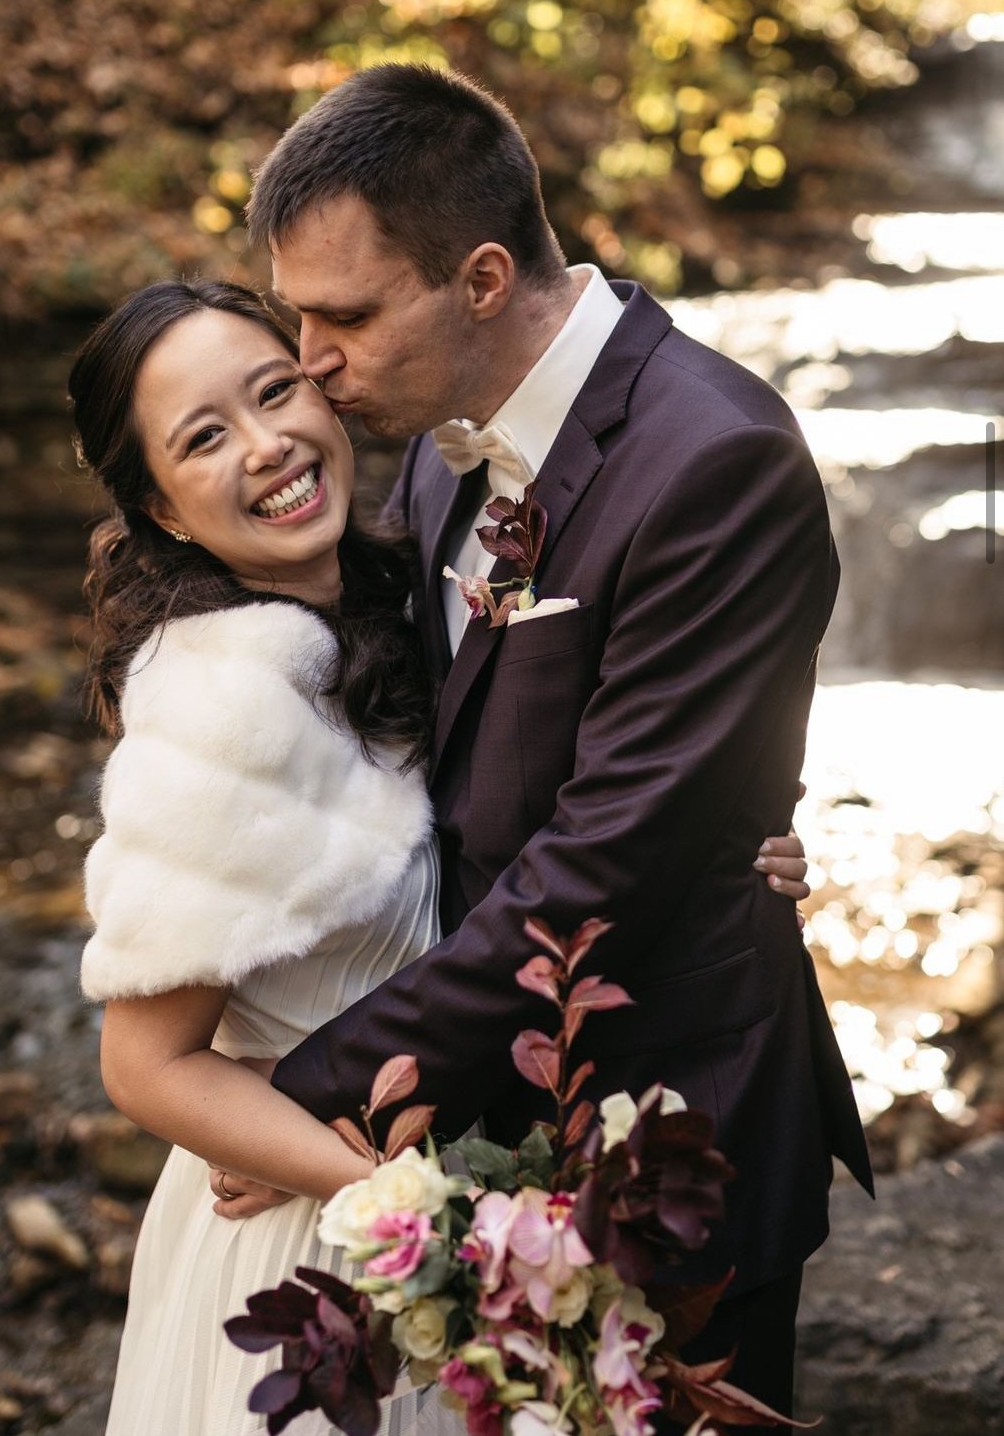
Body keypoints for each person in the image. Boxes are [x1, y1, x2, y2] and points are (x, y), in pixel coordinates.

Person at [205, 63, 874, 1429]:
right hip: (484, 1116)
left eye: (343, 315)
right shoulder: (446, 446)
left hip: (672, 1140)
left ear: (484, 276)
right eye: (293, 316)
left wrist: (307, 1087)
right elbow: (443, 749)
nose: (312, 362)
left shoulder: (716, 458)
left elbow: (606, 856)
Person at [70, 277, 811, 1436]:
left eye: (277, 390)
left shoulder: (401, 561)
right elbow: (146, 1066)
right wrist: (414, 1202)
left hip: (455, 1182)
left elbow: (556, 786)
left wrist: (717, 833)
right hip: (330, 1232)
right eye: (205, 438)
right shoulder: (217, 712)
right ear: (161, 508)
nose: (268, 446)